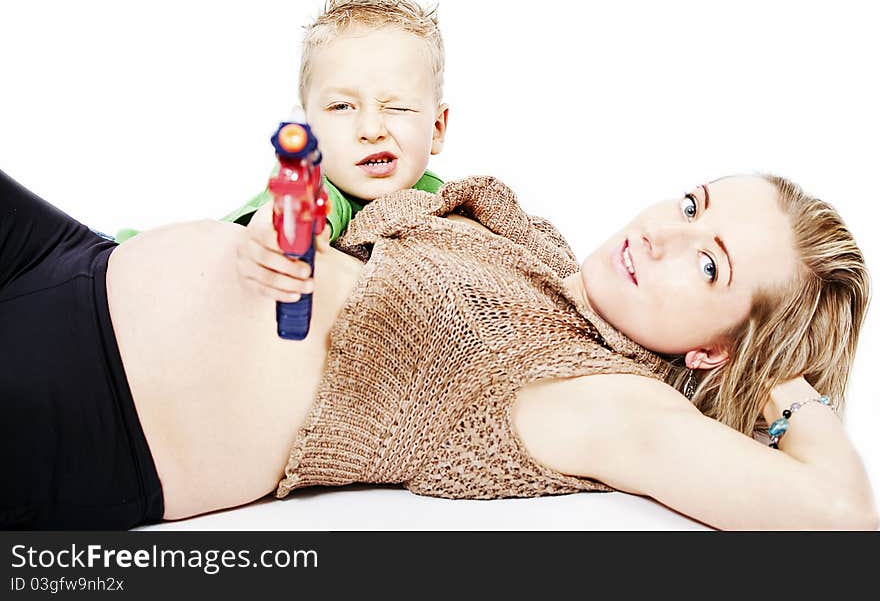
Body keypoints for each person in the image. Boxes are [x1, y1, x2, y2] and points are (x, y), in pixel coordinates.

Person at [0, 168, 875, 531]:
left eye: (710, 263)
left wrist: (788, 395)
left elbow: (843, 520)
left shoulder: (601, 396)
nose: (664, 235)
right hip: (77, 262)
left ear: (719, 352)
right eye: (693, 206)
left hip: (91, 400)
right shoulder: (535, 247)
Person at [114, 0, 449, 307]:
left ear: (436, 128)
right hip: (134, 268)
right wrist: (292, 235)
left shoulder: (441, 199)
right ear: (306, 129)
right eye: (342, 107)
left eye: (397, 107)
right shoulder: (311, 176)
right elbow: (293, 212)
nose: (371, 129)